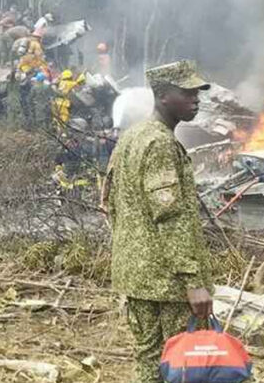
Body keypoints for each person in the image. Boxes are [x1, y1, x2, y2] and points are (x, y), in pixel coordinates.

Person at [104, 60, 214, 383]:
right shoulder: (161, 143)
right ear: (163, 95)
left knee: (149, 359)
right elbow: (170, 216)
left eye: (197, 93)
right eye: (187, 93)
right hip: (169, 284)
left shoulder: (131, 137)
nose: (196, 100)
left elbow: (110, 203)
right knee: (184, 364)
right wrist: (193, 282)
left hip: (136, 277)